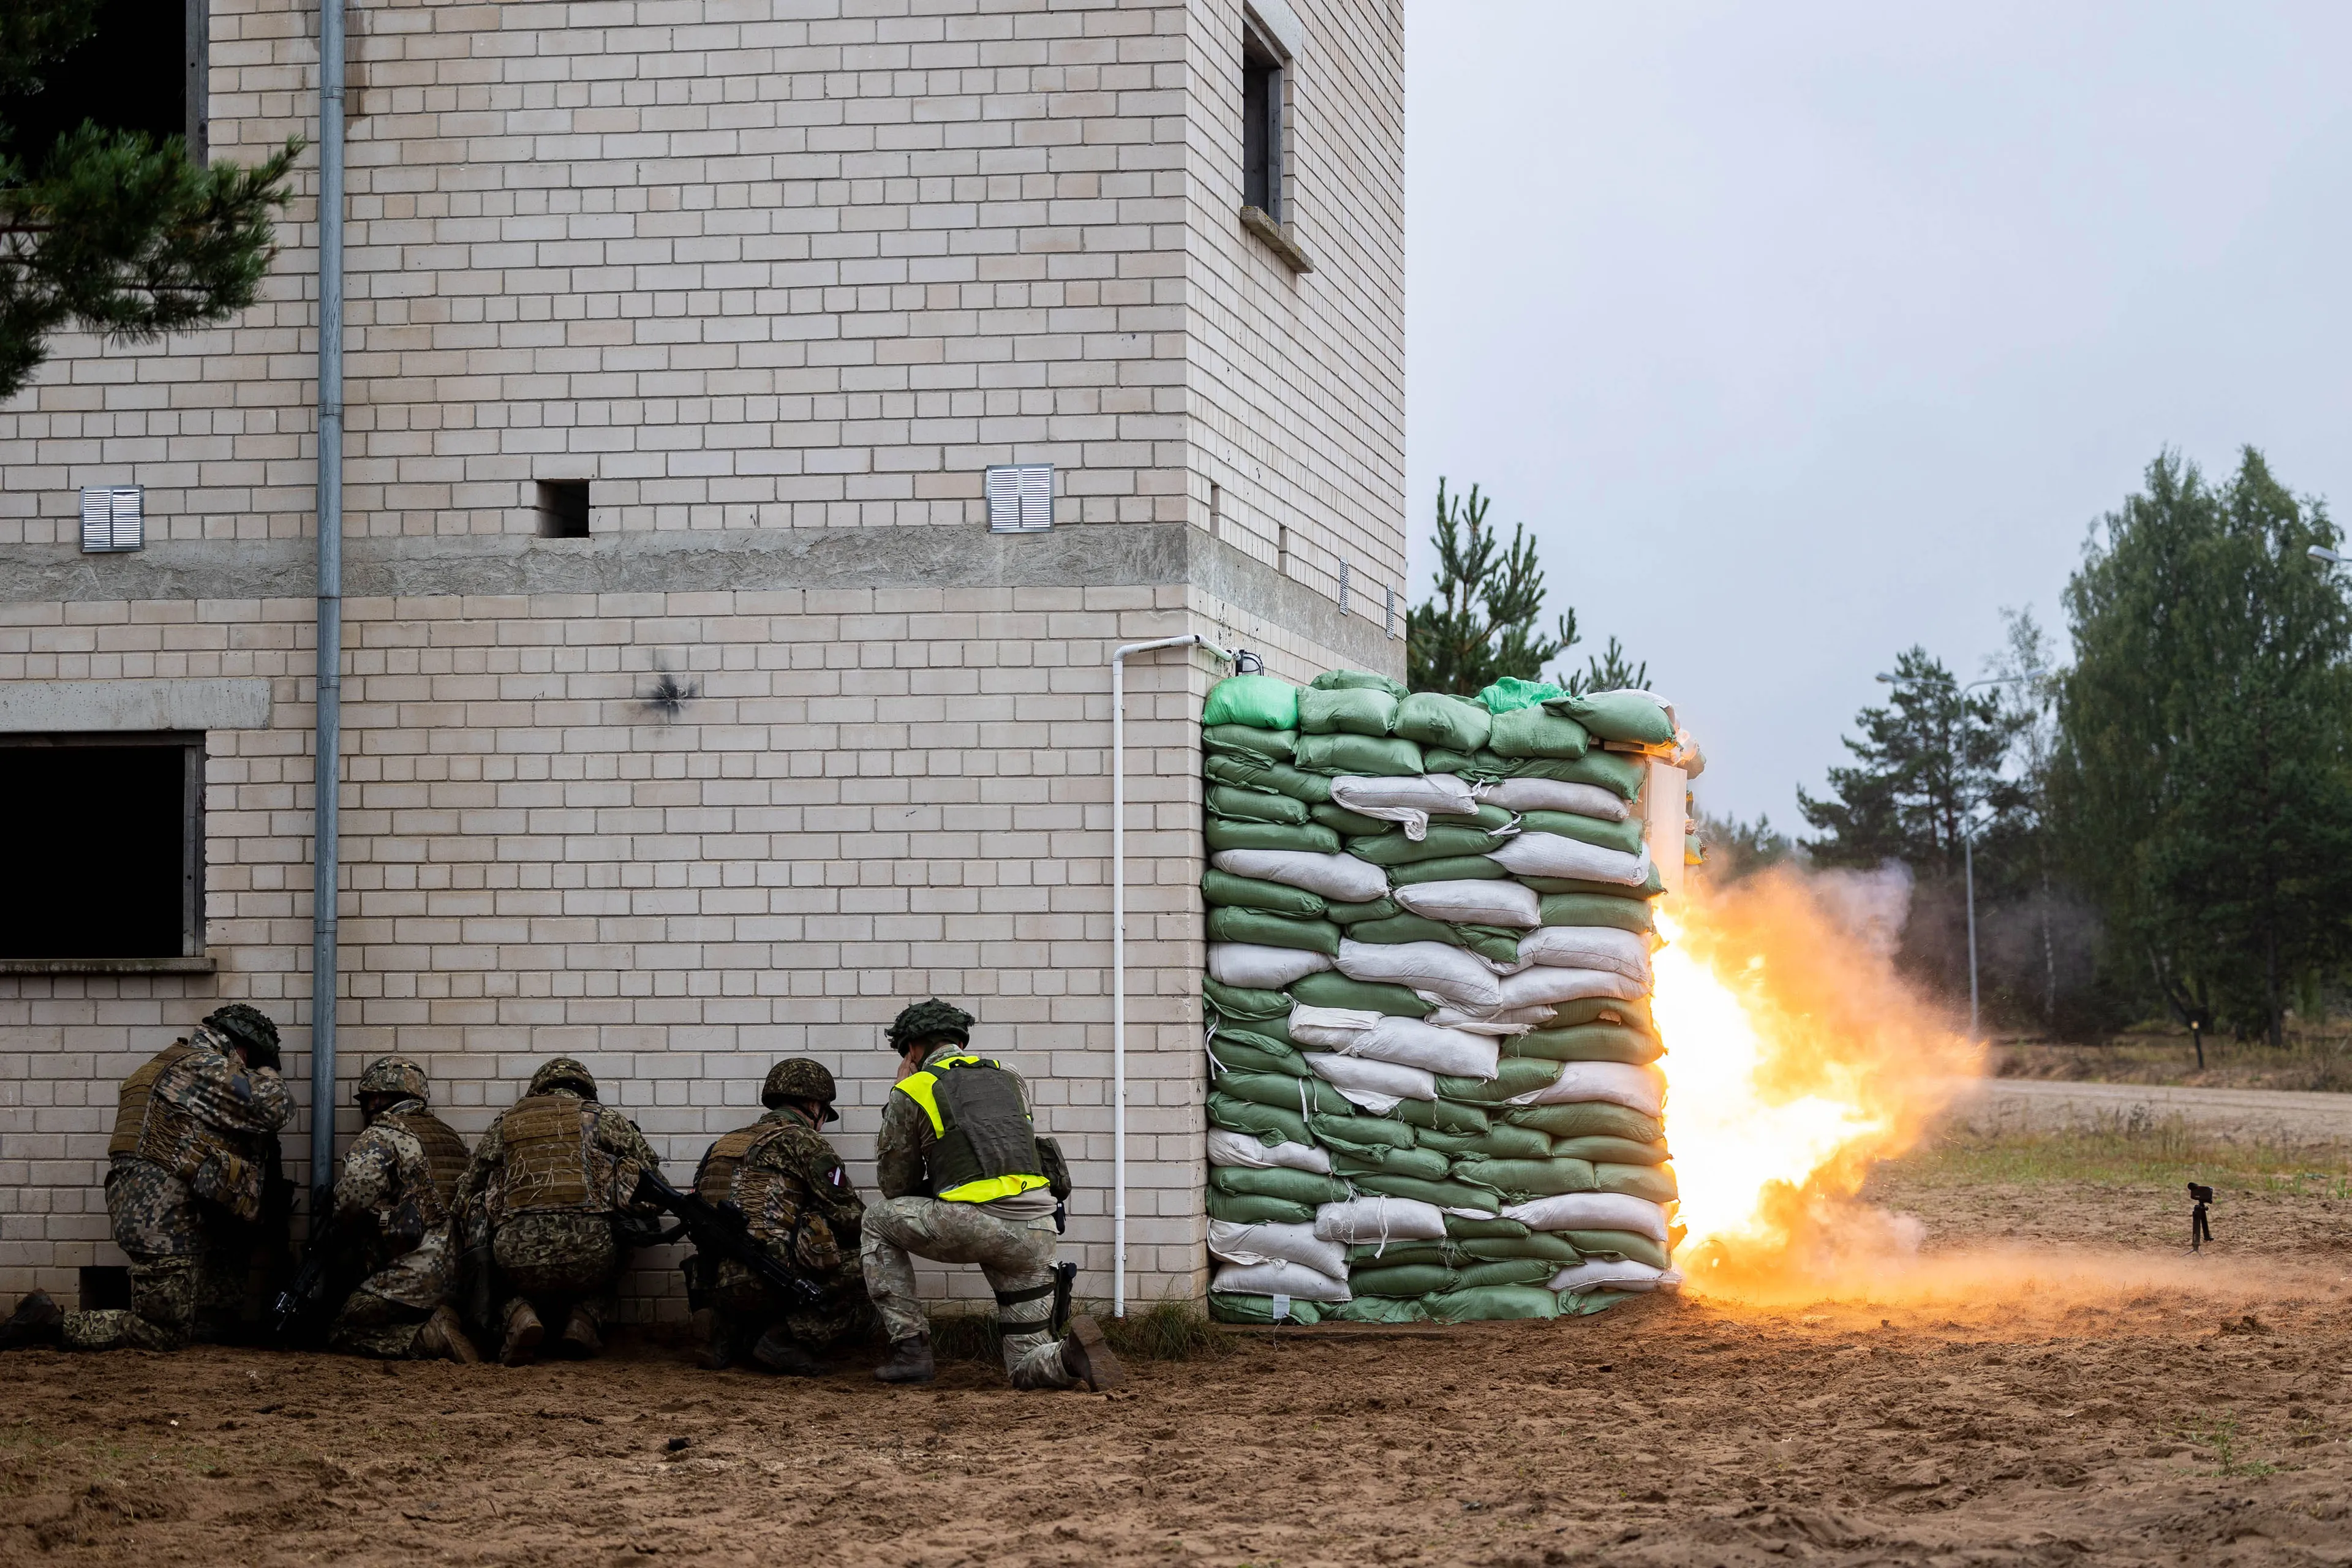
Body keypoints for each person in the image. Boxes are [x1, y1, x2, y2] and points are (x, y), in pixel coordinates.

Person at [861, 999, 1121, 1391]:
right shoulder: (1010, 1076)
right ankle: (1069, 1356)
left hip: (972, 1223)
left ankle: (911, 1351)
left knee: (876, 1220)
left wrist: (899, 1092)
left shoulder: (914, 1087)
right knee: (1022, 1362)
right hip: (1037, 1230)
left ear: (913, 1048)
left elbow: (896, 1184)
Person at [53, 1005, 292, 1352]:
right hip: (159, 1215)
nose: (249, 1068)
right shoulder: (199, 1065)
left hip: (169, 1205)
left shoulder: (173, 1062)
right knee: (160, 1330)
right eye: (251, 1059)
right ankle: (48, 1323)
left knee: (208, 1319)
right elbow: (275, 1107)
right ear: (242, 1046)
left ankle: (208, 1327)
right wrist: (269, 1071)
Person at [454, 1057, 665, 1365]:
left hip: (515, 1258)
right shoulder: (603, 1119)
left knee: (479, 1224)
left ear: (538, 1088)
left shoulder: (507, 1123)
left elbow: (466, 1193)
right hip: (593, 1255)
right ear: (587, 1090)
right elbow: (656, 1185)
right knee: (627, 1229)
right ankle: (585, 1319)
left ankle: (517, 1314)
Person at [688, 1058, 875, 1375]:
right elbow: (849, 1217)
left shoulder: (722, 1145)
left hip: (710, 1281)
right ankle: (784, 1339)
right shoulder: (807, 1143)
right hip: (770, 1280)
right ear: (814, 1104)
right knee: (875, 1263)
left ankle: (726, 1334)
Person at [323, 1055, 479, 1362]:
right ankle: (444, 1324)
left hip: (420, 1276)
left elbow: (349, 1204)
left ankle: (426, 1339)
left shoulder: (382, 1134)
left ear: (377, 1097)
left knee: (343, 1327)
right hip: (467, 1276)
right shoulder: (450, 1138)